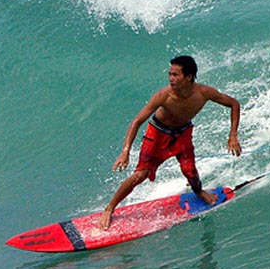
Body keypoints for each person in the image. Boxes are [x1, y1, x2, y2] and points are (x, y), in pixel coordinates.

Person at [99, 55, 242, 230]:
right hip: (157, 134)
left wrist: (233, 135)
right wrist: (125, 151)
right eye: (170, 74)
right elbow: (137, 121)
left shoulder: (204, 93)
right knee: (140, 175)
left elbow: (234, 104)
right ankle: (109, 208)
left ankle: (199, 192)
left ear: (188, 76)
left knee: (190, 172)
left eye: (175, 75)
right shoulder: (163, 96)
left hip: (183, 133)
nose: (171, 78)